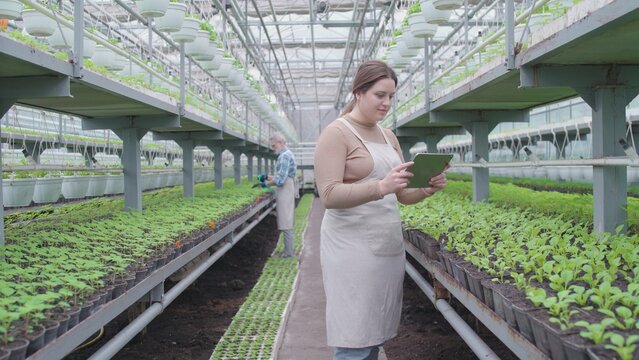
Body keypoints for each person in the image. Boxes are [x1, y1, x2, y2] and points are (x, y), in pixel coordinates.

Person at [314, 60, 448, 360]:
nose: (387, 103)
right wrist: (380, 187)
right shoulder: (336, 134)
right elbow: (329, 194)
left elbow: (401, 194)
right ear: (359, 92)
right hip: (351, 249)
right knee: (354, 338)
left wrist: (425, 188)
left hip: (386, 245)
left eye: (391, 96)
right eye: (379, 95)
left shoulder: (389, 136)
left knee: (373, 335)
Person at [266, 132, 297, 258]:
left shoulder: (284, 156)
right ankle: (288, 251)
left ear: (280, 142)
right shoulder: (288, 154)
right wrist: (271, 177)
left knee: (286, 220)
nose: (273, 149)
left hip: (285, 189)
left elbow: (280, 180)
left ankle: (288, 254)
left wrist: (267, 183)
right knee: (287, 219)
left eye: (274, 146)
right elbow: (282, 176)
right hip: (287, 187)